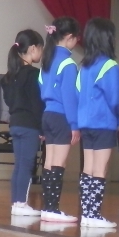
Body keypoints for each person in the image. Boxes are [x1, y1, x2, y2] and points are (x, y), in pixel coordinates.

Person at [75, 18, 119, 228]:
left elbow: (77, 93)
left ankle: (87, 213)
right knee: (100, 170)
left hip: (85, 123)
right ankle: (93, 215)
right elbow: (115, 99)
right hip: (103, 123)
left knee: (88, 169)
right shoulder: (110, 66)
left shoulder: (83, 66)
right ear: (107, 38)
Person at [38, 17, 81, 223]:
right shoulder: (68, 64)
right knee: (59, 163)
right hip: (61, 116)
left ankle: (47, 207)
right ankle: (53, 209)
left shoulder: (46, 60)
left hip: (47, 115)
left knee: (49, 162)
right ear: (69, 37)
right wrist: (75, 125)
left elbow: (40, 88)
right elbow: (69, 97)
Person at [1, 30, 45, 217]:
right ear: (33, 48)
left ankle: (16, 203)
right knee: (26, 165)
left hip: (15, 124)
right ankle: (21, 203)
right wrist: (42, 128)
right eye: (41, 49)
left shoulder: (9, 76)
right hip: (29, 126)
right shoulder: (34, 74)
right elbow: (37, 104)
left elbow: (9, 101)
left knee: (19, 165)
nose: (42, 53)